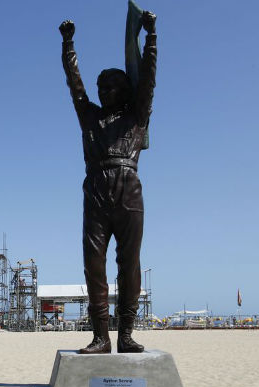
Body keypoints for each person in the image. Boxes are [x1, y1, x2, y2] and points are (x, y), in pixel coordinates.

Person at [59, 9, 157, 354]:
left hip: (128, 189)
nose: (104, 90)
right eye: (101, 86)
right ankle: (101, 336)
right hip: (96, 190)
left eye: (111, 85)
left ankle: (126, 334)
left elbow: (147, 81)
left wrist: (151, 38)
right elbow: (75, 86)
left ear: (124, 89)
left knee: (129, 264)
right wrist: (68, 45)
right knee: (93, 264)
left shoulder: (136, 116)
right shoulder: (90, 117)